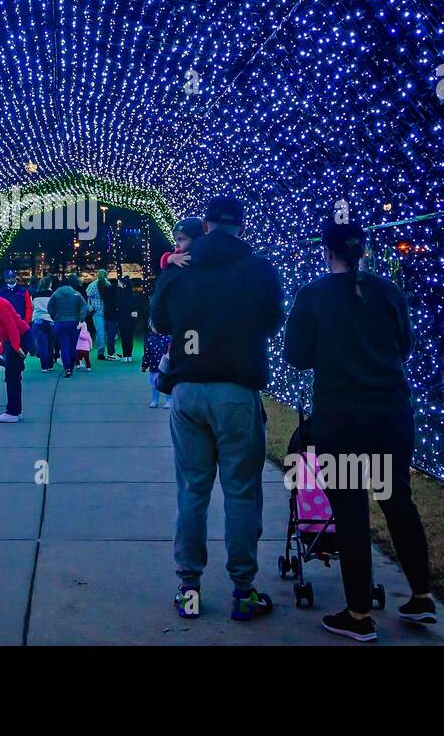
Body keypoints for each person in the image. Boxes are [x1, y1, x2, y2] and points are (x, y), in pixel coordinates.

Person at [283, 217, 434, 642]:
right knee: (397, 501)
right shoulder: (388, 291)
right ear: (362, 251)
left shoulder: (312, 294)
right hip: (390, 412)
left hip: (341, 417)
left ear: (327, 251)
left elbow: (296, 355)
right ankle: (422, 596)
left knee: (350, 511)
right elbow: (404, 346)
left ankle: (358, 614)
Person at [149, 195, 285, 621]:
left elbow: (158, 323)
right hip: (236, 390)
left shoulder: (179, 268)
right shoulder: (258, 268)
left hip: (188, 391)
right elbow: (273, 320)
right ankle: (243, 592)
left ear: (205, 226)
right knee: (242, 493)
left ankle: (188, 588)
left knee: (192, 490)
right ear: (240, 227)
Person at [0, 291, 30, 423]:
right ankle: (16, 410)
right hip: (16, 338)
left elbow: (11, 326)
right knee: (13, 376)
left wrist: (16, 347)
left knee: (12, 376)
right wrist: (2, 347)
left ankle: (13, 412)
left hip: (18, 338)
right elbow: (6, 329)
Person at [48, 275, 89, 378]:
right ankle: (71, 367)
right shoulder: (76, 293)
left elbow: (50, 307)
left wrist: (54, 317)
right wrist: (81, 318)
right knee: (73, 346)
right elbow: (84, 306)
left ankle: (66, 368)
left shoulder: (56, 294)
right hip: (74, 322)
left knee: (64, 346)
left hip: (60, 322)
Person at [30, 276, 58, 371]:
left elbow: (31, 307)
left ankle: (44, 366)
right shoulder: (53, 294)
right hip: (50, 320)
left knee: (42, 344)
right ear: (49, 284)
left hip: (38, 320)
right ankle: (50, 364)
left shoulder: (34, 295)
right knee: (50, 343)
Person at [142, 324, 172, 408]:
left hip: (165, 367)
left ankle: (169, 400)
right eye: (153, 326)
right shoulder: (150, 340)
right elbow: (147, 354)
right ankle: (154, 400)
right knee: (154, 385)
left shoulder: (168, 339)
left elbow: (171, 353)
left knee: (167, 384)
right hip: (154, 366)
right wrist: (144, 364)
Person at [114, 277, 144, 361]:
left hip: (122, 318)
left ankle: (125, 355)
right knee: (130, 337)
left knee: (124, 337)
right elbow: (138, 307)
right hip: (131, 319)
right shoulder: (133, 295)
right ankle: (129, 355)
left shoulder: (120, 295)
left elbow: (117, 306)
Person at [86, 270, 110, 360]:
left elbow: (87, 297)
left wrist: (90, 308)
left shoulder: (92, 285)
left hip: (96, 312)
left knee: (100, 332)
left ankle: (101, 352)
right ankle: (110, 351)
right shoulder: (108, 284)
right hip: (106, 311)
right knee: (108, 333)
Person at [97, 270, 120, 359]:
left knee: (109, 335)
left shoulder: (104, 291)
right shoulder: (111, 289)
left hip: (106, 313)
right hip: (112, 314)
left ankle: (111, 352)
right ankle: (111, 353)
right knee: (111, 335)